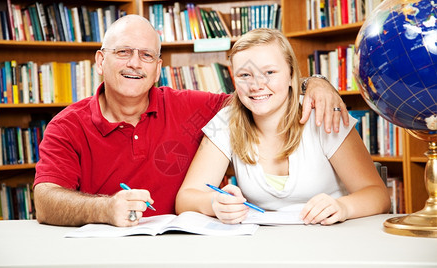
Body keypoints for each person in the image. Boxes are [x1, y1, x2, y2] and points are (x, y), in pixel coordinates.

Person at [33, 15, 349, 227]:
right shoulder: (67, 125)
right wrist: (104, 209)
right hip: (103, 250)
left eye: (146, 55)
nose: (134, 63)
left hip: (184, 248)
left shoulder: (192, 108)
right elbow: (45, 202)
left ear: (158, 68)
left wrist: (313, 83)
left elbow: (259, 95)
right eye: (123, 52)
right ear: (101, 61)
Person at [176, 28, 390, 225]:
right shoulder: (226, 122)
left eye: (269, 72)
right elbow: (185, 198)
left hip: (330, 237)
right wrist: (214, 202)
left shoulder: (324, 115)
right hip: (264, 244)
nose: (256, 85)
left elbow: (378, 196)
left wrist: (344, 207)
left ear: (291, 75)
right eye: (244, 75)